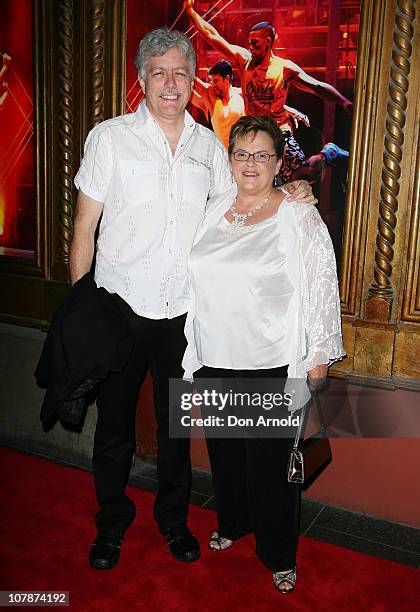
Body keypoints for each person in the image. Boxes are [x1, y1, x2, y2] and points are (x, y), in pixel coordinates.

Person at [70, 27, 315, 571]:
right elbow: (84, 226)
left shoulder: (209, 146)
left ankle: (174, 523)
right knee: (113, 430)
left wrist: (294, 190)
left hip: (182, 316)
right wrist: (81, 311)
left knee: (175, 430)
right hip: (118, 308)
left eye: (181, 72)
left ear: (192, 80)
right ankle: (110, 525)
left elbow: (246, 202)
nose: (171, 83)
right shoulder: (109, 138)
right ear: (141, 80)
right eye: (159, 72)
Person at [182, 115, 345, 593]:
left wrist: (318, 355)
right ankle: (233, 522)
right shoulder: (211, 208)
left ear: (279, 163)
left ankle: (277, 552)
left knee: (272, 467)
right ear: (228, 159)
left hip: (269, 358)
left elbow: (320, 282)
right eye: (241, 153)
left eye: (261, 154)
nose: (250, 163)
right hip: (214, 353)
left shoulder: (297, 212)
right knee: (226, 455)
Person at [184, 0, 352, 182]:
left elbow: (316, 86)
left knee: (306, 175)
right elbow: (213, 36)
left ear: (268, 42)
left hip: (279, 131)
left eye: (255, 43)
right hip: (255, 134)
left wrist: (343, 101)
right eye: (249, 43)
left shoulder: (284, 69)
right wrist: (192, 13)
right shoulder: (244, 61)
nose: (250, 47)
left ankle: (329, 153)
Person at [191, 59, 309, 150]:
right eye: (211, 81)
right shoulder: (211, 97)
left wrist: (294, 112)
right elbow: (193, 81)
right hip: (225, 157)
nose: (213, 84)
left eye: (215, 80)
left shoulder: (242, 95)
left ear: (226, 79)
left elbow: (269, 104)